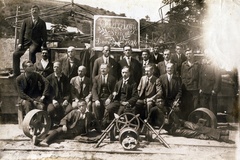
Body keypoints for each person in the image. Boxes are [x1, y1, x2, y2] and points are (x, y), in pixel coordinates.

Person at [11, 5, 47, 77]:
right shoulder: (26, 21)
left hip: (35, 42)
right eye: (33, 10)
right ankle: (16, 73)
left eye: (36, 10)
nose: (34, 11)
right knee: (15, 54)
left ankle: (31, 73)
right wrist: (20, 43)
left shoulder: (42, 22)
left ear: (38, 12)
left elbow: (44, 35)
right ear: (31, 11)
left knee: (32, 52)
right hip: (25, 42)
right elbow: (21, 32)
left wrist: (43, 45)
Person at [181, 48, 200, 114]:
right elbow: (182, 76)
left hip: (195, 87)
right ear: (185, 55)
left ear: (193, 54)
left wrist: (199, 87)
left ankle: (194, 118)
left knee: (195, 105)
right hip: (187, 88)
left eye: (190, 54)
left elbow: (200, 76)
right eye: (187, 54)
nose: (189, 55)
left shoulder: (197, 64)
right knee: (187, 104)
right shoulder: (183, 64)